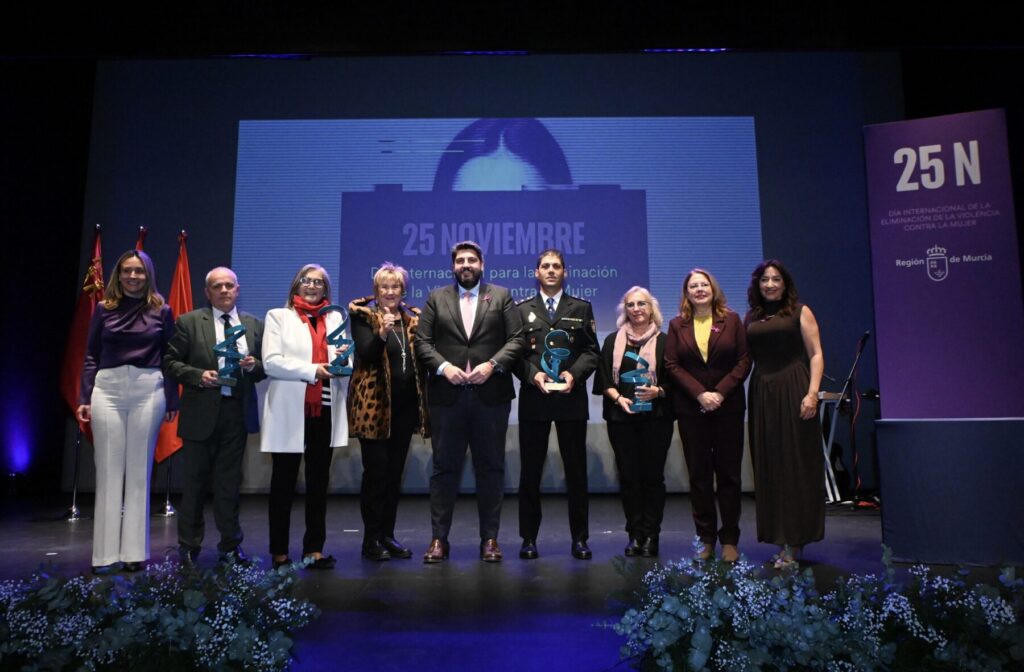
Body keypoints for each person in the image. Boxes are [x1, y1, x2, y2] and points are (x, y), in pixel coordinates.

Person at [414, 240, 524, 563]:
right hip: (447, 398)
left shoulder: (501, 296)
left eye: (471, 260)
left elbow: (516, 339)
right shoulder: (437, 298)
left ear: (482, 265)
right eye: (460, 260)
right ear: (453, 267)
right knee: (444, 469)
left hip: (491, 397)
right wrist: (444, 368)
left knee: (490, 468)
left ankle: (490, 539)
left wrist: (492, 365)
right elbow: (422, 342)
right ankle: (438, 540)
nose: (466, 265)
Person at [76, 249, 178, 574]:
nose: (133, 277)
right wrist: (85, 396)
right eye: (127, 271)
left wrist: (173, 400)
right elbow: (91, 354)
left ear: (148, 275)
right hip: (107, 388)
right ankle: (104, 555)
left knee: (138, 473)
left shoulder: (162, 310)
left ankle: (135, 553)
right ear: (118, 276)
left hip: (149, 388)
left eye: (139, 272)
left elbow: (169, 358)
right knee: (107, 470)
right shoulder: (104, 310)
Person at [164, 267, 265, 565]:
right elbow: (170, 363)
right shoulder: (189, 322)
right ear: (207, 292)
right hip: (200, 414)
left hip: (236, 413)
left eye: (229, 286)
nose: (224, 291)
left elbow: (263, 368)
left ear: (237, 289)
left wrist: (252, 366)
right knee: (194, 485)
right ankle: (188, 546)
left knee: (229, 485)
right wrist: (198, 375)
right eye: (217, 286)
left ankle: (231, 546)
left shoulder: (252, 325)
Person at [260, 264, 350, 570]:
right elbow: (272, 363)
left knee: (318, 483)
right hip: (290, 411)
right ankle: (279, 553)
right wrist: (313, 370)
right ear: (296, 285)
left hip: (324, 409)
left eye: (319, 283)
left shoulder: (334, 317)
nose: (312, 286)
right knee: (283, 484)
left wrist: (340, 364)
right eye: (306, 281)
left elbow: (344, 356)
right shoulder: (278, 317)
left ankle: (314, 550)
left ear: (326, 290)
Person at [515, 249, 600, 560]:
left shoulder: (581, 307)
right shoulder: (521, 309)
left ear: (565, 272)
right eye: (545, 266)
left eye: (556, 266)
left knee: (576, 472)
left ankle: (580, 538)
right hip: (534, 398)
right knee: (531, 473)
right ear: (536, 272)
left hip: (570, 398)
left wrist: (573, 375)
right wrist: (534, 374)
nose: (551, 271)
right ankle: (528, 539)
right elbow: (515, 355)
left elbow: (592, 353)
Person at [665, 269, 751, 563]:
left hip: (728, 407)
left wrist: (721, 392)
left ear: (713, 289)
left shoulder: (733, 320)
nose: (699, 289)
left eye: (704, 284)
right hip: (692, 409)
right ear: (686, 293)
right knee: (699, 476)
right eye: (693, 286)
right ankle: (706, 539)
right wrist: (701, 393)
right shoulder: (677, 325)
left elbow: (743, 361)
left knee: (729, 475)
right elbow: (672, 364)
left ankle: (730, 539)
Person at [744, 259, 825, 570]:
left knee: (795, 465)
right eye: (765, 279)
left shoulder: (800, 312)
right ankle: (779, 540)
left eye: (776, 279)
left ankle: (795, 540)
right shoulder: (753, 316)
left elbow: (816, 354)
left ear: (785, 283)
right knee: (770, 465)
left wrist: (811, 393)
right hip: (763, 392)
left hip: (794, 389)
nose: (770, 284)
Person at [348, 262, 429, 561]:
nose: (390, 291)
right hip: (375, 408)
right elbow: (367, 354)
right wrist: (381, 332)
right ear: (376, 291)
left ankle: (388, 535)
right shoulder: (363, 317)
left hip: (405, 410)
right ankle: (371, 540)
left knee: (394, 476)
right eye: (385, 287)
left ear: (403, 290)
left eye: (395, 286)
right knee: (376, 476)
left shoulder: (413, 320)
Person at [594, 286, 674, 558]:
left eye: (642, 304)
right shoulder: (612, 341)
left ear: (652, 309)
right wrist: (618, 399)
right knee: (629, 478)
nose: (637, 309)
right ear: (624, 310)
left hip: (656, 419)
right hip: (621, 419)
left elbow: (675, 381)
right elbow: (604, 379)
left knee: (652, 478)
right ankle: (635, 535)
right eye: (631, 304)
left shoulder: (666, 342)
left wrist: (658, 391)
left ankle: (652, 535)